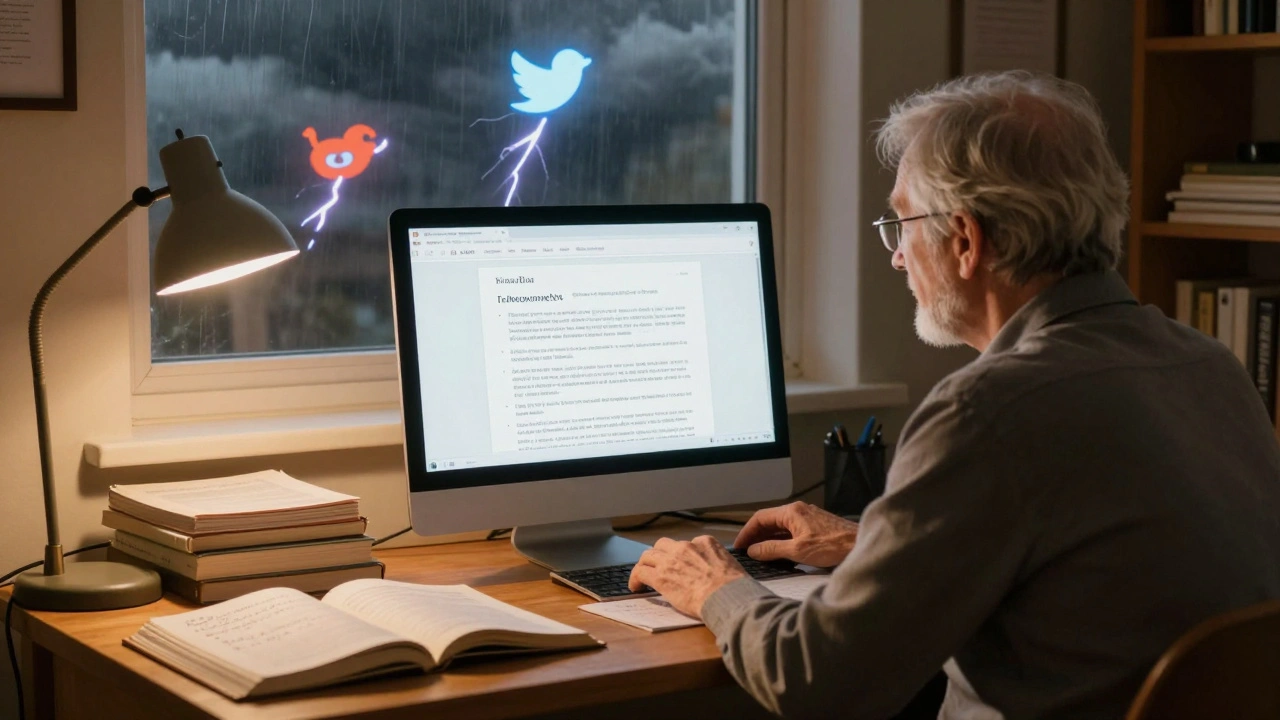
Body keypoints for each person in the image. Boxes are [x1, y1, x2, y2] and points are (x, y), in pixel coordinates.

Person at [628, 71, 1280, 720]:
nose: (896, 257)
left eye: (900, 223)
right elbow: (1088, 582)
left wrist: (717, 586)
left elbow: (814, 683)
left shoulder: (986, 413)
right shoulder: (1208, 365)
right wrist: (872, 547)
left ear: (965, 241)